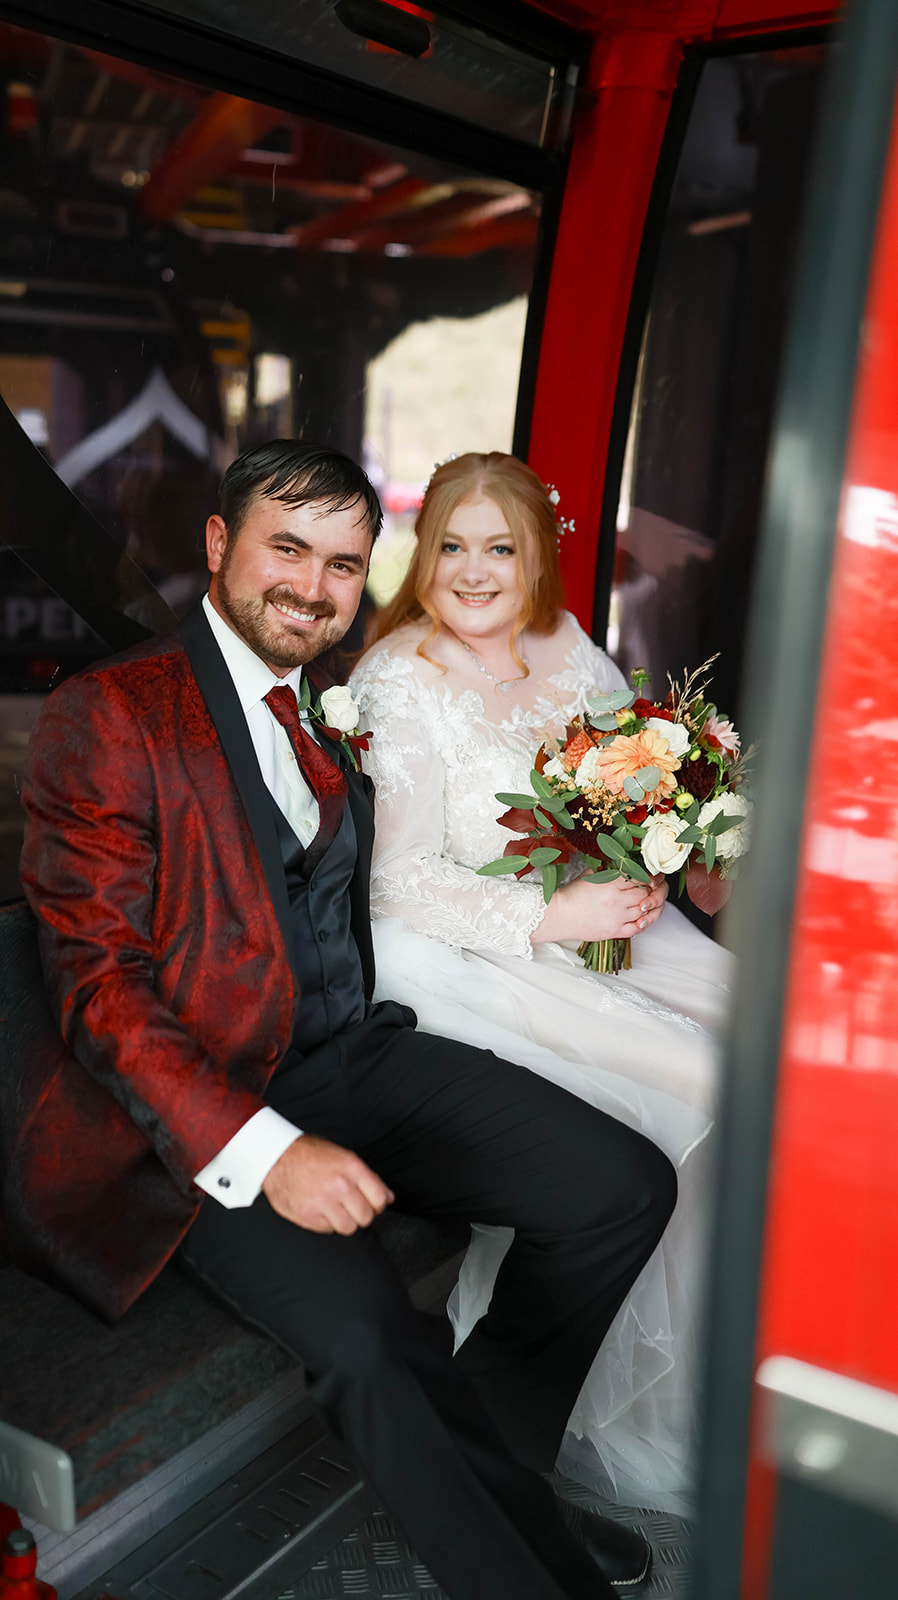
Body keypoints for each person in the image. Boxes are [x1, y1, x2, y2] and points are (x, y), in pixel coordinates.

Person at [12, 441, 678, 1600]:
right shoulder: (111, 712)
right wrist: (270, 1154)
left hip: (345, 1050)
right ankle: (525, 1569)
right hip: (195, 1125)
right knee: (373, 1339)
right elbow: (99, 992)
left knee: (622, 1186)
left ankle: (497, 1480)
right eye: (287, 549)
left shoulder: (324, 698)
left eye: (342, 564)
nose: (312, 587)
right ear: (218, 546)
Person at [350, 451, 734, 1514]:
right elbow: (395, 876)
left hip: (597, 918)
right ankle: (617, 1403)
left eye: (500, 548)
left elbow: (633, 779)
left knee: (774, 1041)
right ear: (424, 555)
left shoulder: (569, 648)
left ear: (538, 559)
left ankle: (741, 1360)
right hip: (468, 948)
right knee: (702, 1082)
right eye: (451, 546)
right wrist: (546, 916)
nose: (473, 572)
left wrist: (676, 846)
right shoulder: (397, 678)